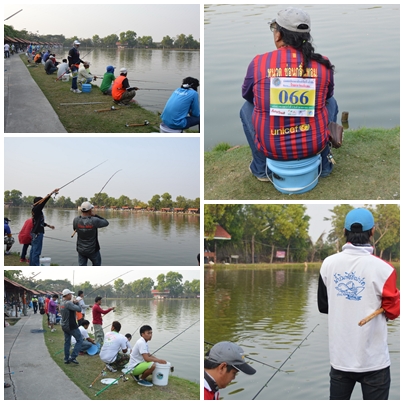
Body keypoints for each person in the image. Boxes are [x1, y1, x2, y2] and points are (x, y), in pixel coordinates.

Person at [241, 7, 338, 182]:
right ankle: (324, 164)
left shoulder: (259, 62)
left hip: (272, 147)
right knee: (332, 102)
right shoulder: (322, 64)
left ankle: (261, 169)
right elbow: (327, 96)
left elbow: (247, 96)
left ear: (278, 35)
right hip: (314, 145)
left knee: (246, 108)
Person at [317, 208, 400, 400]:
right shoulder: (385, 269)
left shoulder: (328, 264)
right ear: (372, 232)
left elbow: (324, 306)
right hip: (374, 363)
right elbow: (393, 312)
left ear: (345, 232)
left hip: (339, 361)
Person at [73, 201, 109, 266]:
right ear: (90, 210)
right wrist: (95, 215)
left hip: (81, 249)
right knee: (96, 266)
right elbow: (106, 222)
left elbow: (75, 229)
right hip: (93, 250)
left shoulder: (76, 220)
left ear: (81, 210)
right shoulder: (95, 220)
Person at [30, 189, 59, 266]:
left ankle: (32, 265)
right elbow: (43, 203)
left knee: (33, 251)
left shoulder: (37, 211)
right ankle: (35, 266)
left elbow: (40, 222)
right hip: (37, 233)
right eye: (41, 202)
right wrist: (52, 193)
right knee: (36, 252)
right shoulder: (36, 209)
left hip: (35, 232)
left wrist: (49, 226)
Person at [60, 289, 83, 365]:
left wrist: (73, 303)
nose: (71, 296)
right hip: (71, 326)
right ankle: (73, 357)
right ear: (67, 295)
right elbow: (79, 309)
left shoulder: (61, 303)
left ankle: (66, 359)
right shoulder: (68, 303)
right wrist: (77, 303)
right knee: (79, 339)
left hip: (64, 325)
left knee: (67, 342)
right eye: (70, 294)